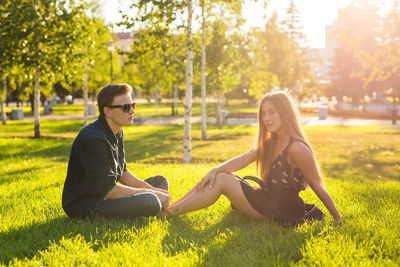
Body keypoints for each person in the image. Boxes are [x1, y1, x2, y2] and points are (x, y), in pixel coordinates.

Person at [167, 91, 342, 225]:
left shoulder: (297, 148)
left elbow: (317, 185)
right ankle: (169, 209)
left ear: (285, 112)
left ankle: (168, 214)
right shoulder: (271, 142)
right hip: (267, 199)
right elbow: (243, 160)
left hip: (281, 210)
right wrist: (214, 169)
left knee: (221, 179)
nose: (266, 118)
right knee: (220, 174)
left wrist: (337, 219)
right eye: (264, 113)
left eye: (272, 112)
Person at [62, 83, 171, 219]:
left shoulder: (116, 131)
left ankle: (145, 205)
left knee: (160, 182)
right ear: (108, 111)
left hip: (106, 195)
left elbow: (122, 172)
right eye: (126, 107)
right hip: (87, 204)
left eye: (133, 105)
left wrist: (154, 190)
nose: (132, 111)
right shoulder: (93, 139)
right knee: (151, 201)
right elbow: (108, 190)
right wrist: (153, 194)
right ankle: (149, 207)